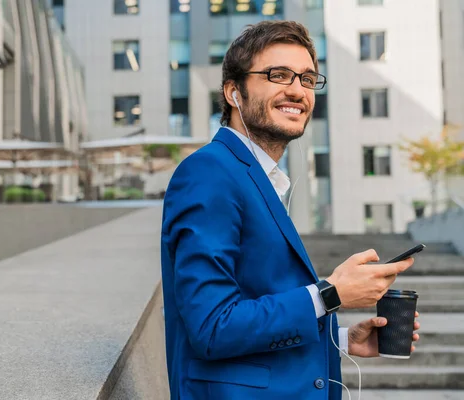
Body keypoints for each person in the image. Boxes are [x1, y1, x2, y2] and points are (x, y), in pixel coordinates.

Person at [160, 20, 420, 400]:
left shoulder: (253, 177)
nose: (297, 90)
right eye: (278, 75)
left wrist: (343, 339)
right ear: (234, 92)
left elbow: (256, 305)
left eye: (308, 79)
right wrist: (331, 293)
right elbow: (212, 326)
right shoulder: (210, 173)